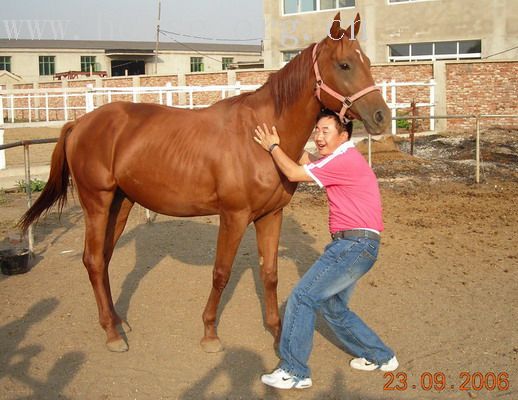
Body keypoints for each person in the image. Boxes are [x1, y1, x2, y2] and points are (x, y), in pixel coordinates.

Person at [253, 109, 398, 390]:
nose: (318, 136)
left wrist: (272, 147)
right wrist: (288, 141)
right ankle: (381, 356)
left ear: (343, 136)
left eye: (325, 131)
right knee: (333, 307)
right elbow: (306, 162)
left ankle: (295, 371)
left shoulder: (344, 160)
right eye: (316, 130)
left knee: (302, 298)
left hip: (352, 246)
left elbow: (294, 172)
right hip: (360, 245)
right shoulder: (341, 159)